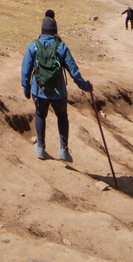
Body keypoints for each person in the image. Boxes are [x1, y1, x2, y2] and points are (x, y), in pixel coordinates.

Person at [21, 10, 91, 162]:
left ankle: (40, 147)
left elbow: (26, 69)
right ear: (55, 30)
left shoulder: (34, 46)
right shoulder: (61, 47)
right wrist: (85, 86)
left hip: (39, 92)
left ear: (42, 30)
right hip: (59, 93)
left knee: (40, 115)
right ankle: (64, 150)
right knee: (62, 116)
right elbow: (73, 70)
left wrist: (26, 88)